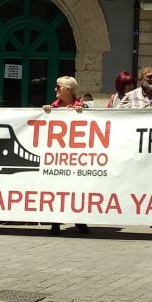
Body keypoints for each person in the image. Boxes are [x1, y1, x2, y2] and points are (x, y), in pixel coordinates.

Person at [43, 76, 89, 235]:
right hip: (57, 157)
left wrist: (82, 114)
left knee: (76, 189)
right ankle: (55, 222)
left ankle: (79, 220)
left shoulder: (81, 107)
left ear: (69, 90)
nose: (55, 89)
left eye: (58, 87)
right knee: (56, 190)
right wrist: (45, 113)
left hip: (75, 158)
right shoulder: (52, 108)